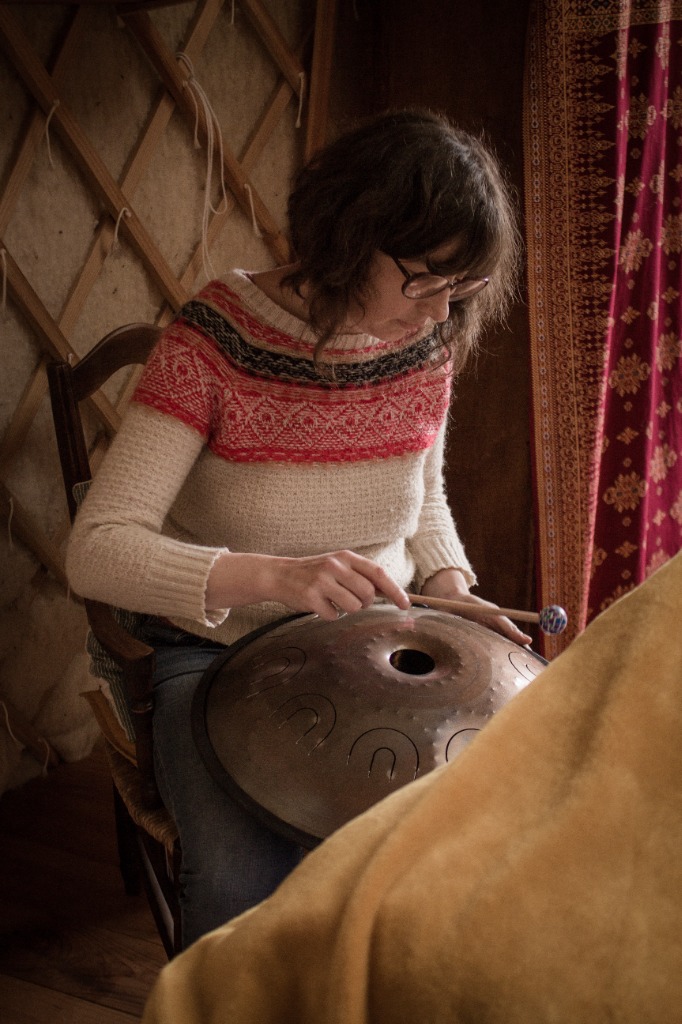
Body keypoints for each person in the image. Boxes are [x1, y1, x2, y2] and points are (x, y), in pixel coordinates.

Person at [66, 108, 528, 949]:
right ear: (349, 234)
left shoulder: (426, 347)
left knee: (458, 850)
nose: (436, 314)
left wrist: (453, 594)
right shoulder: (215, 342)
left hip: (373, 642)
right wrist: (275, 577)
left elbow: (421, 499)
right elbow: (97, 550)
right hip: (215, 651)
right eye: (421, 280)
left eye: (458, 292)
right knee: (248, 886)